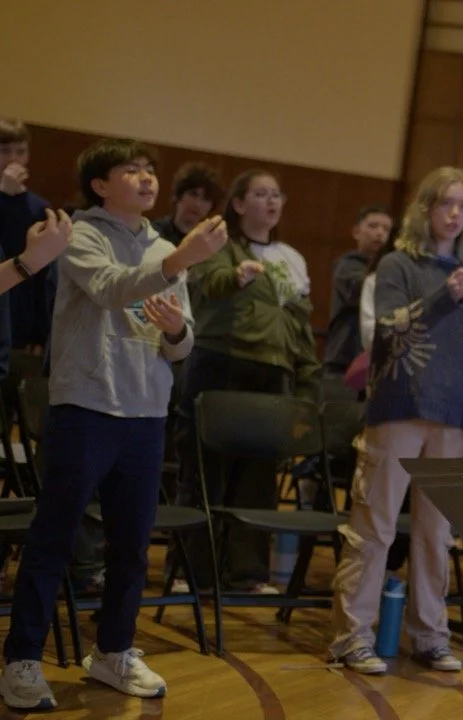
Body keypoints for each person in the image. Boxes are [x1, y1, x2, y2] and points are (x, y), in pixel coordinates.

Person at [0, 138, 227, 711]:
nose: (147, 179)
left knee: (130, 546)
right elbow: (110, 288)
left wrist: (175, 329)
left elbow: (182, 345)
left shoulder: (169, 245)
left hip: (146, 413)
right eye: (132, 170)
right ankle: (22, 660)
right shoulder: (79, 233)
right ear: (101, 185)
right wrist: (178, 263)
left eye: (150, 171)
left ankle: (113, 653)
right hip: (87, 406)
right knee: (55, 538)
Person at [328, 166, 463, 675]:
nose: (454, 213)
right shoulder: (399, 264)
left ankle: (429, 636)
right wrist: (445, 295)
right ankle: (351, 638)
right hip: (399, 408)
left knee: (436, 533)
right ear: (425, 208)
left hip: (450, 418)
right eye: (445, 202)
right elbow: (386, 332)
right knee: (375, 527)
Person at [174, 169, 320, 595]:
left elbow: (300, 325)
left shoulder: (292, 257)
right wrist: (238, 277)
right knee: (206, 472)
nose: (271, 202)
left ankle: (247, 574)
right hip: (221, 362)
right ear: (238, 204)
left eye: (277, 194)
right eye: (260, 194)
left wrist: (307, 382)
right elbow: (212, 284)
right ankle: (192, 572)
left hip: (272, 370)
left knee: (256, 477)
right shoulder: (217, 241)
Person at [0, 119, 54, 354]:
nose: (13, 159)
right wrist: (3, 196)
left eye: (20, 151)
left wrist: (41, 333)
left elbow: (44, 275)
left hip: (20, 319)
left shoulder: (39, 208)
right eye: (4, 151)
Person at [323, 204, 393, 378]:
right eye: (373, 226)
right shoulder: (347, 265)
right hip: (344, 357)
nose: (380, 233)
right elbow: (359, 292)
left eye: (386, 229)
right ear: (356, 232)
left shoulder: (392, 269)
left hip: (375, 357)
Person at [151, 162, 224, 246]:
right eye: (193, 194)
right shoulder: (153, 232)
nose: (197, 204)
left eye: (206, 199)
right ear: (178, 195)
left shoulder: (210, 241)